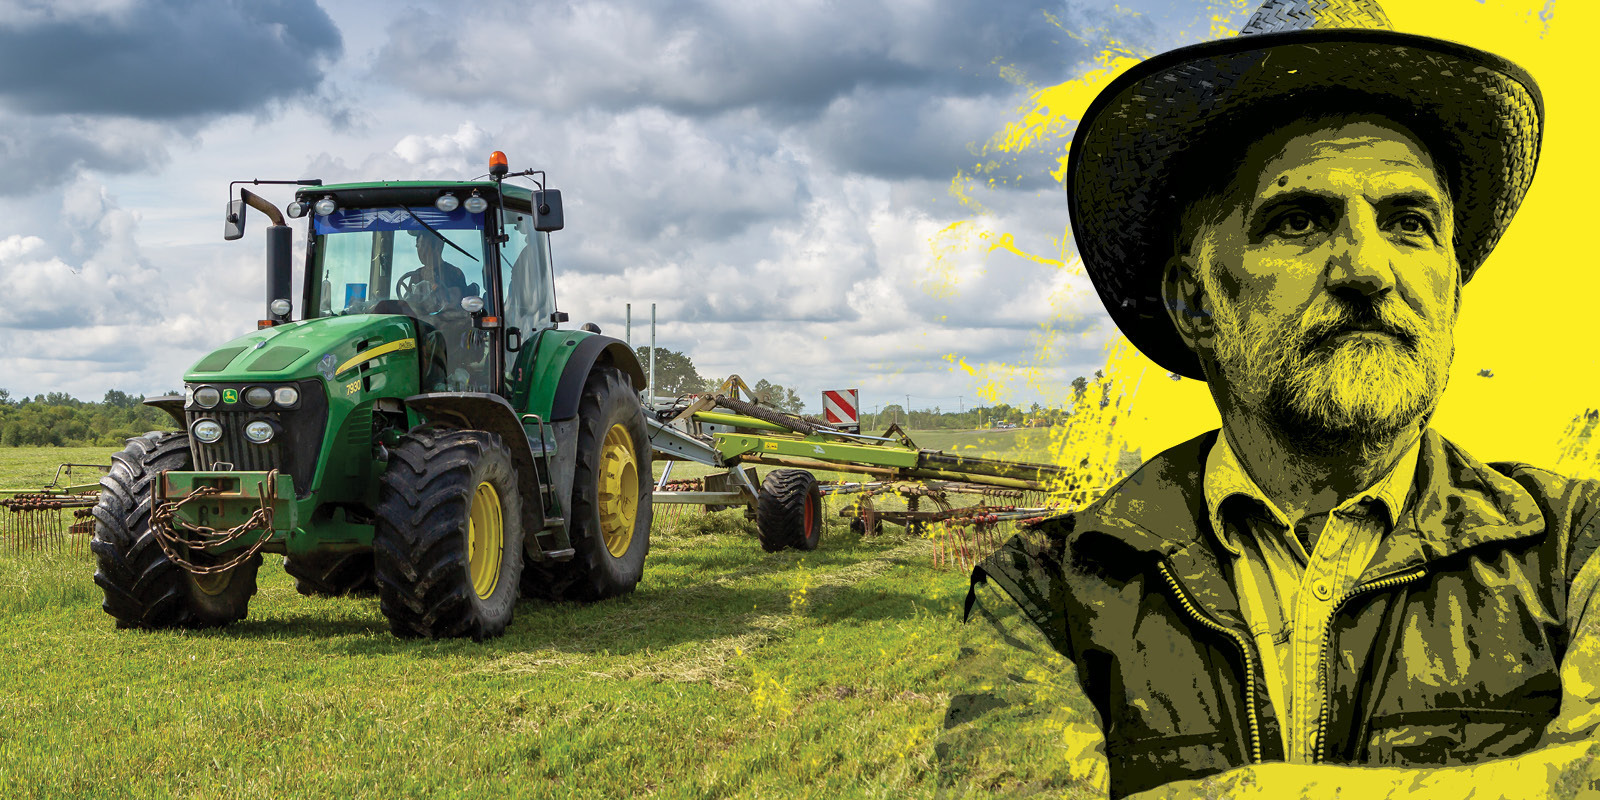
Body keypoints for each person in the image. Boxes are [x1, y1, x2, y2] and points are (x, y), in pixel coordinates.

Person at [936, 1, 1600, 797]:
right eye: (1297, 221)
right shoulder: (1054, 589)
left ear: (1453, 287)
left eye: (1410, 223)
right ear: (1194, 301)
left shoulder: (1573, 550)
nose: (1366, 268)